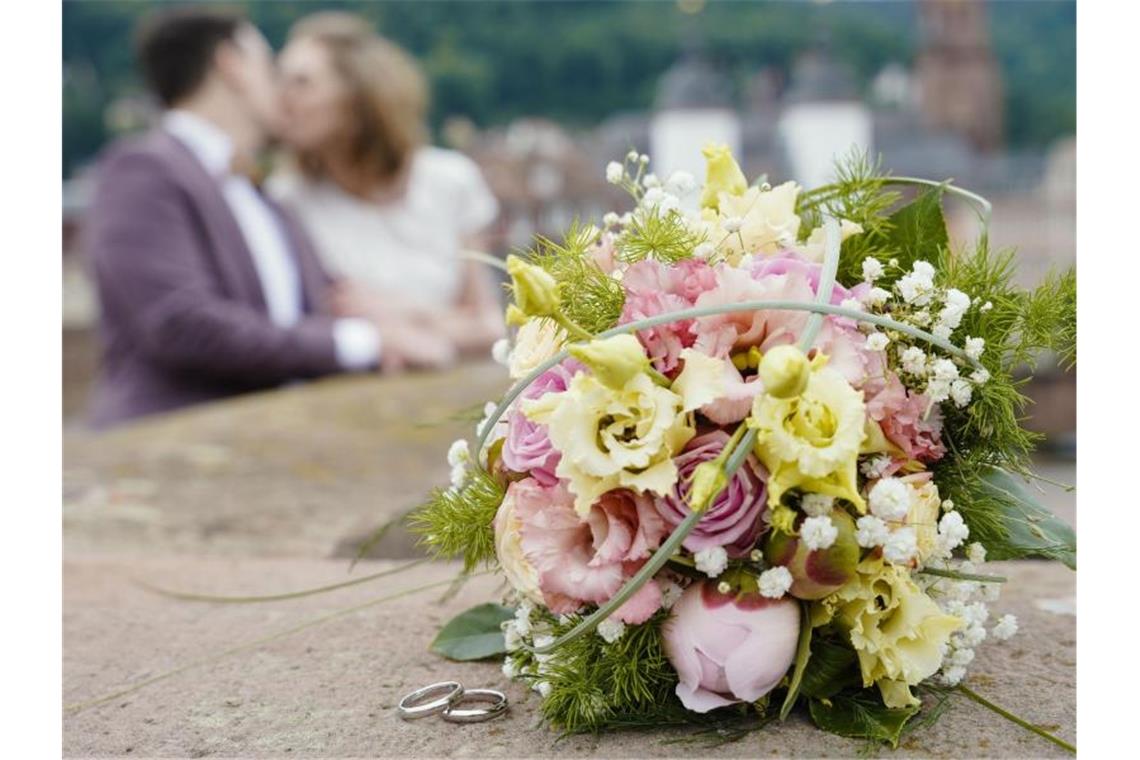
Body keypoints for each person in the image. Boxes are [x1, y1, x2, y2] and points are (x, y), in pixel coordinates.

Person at [83, 8, 446, 428]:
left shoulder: (263, 194)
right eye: (270, 67)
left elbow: (322, 304)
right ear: (231, 65)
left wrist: (401, 318)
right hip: (170, 452)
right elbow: (181, 323)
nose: (281, 89)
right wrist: (365, 341)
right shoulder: (142, 168)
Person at [269, 12, 504, 360]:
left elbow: (491, 331)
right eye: (279, 81)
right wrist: (445, 325)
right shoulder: (287, 199)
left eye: (302, 82)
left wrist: (399, 312)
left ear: (357, 95)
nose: (282, 99)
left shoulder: (452, 180)